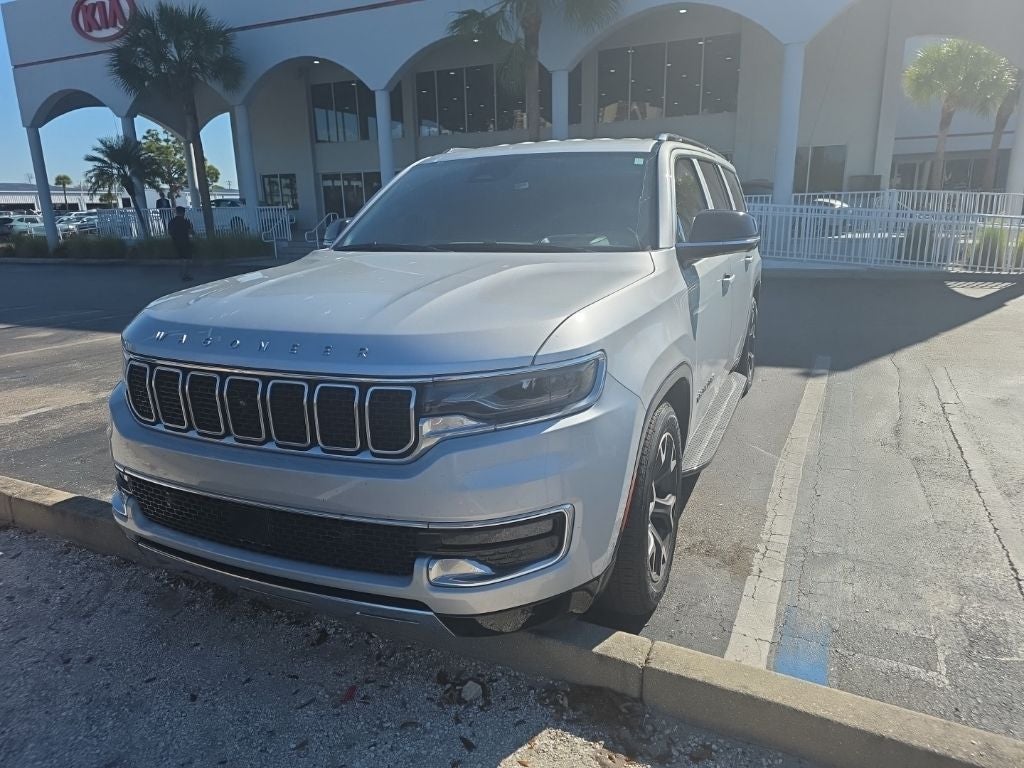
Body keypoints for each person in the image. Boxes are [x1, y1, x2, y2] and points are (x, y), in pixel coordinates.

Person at [168, 206, 194, 281]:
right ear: (183, 213)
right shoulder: (185, 221)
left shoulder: (171, 222)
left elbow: (170, 232)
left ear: (176, 212)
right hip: (185, 242)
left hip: (175, 242)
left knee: (180, 258)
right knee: (186, 259)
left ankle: (181, 273)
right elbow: (191, 232)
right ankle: (185, 275)